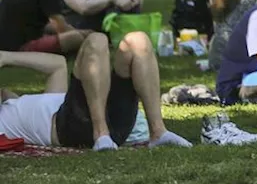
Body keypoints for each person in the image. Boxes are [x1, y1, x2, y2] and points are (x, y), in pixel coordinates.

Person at [0, 31, 190, 150]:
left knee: (138, 40)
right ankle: (101, 135)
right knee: (96, 40)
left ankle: (158, 132)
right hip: (71, 128)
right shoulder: (4, 122)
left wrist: (7, 57)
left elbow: (57, 64)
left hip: (111, 118)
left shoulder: (24, 102)